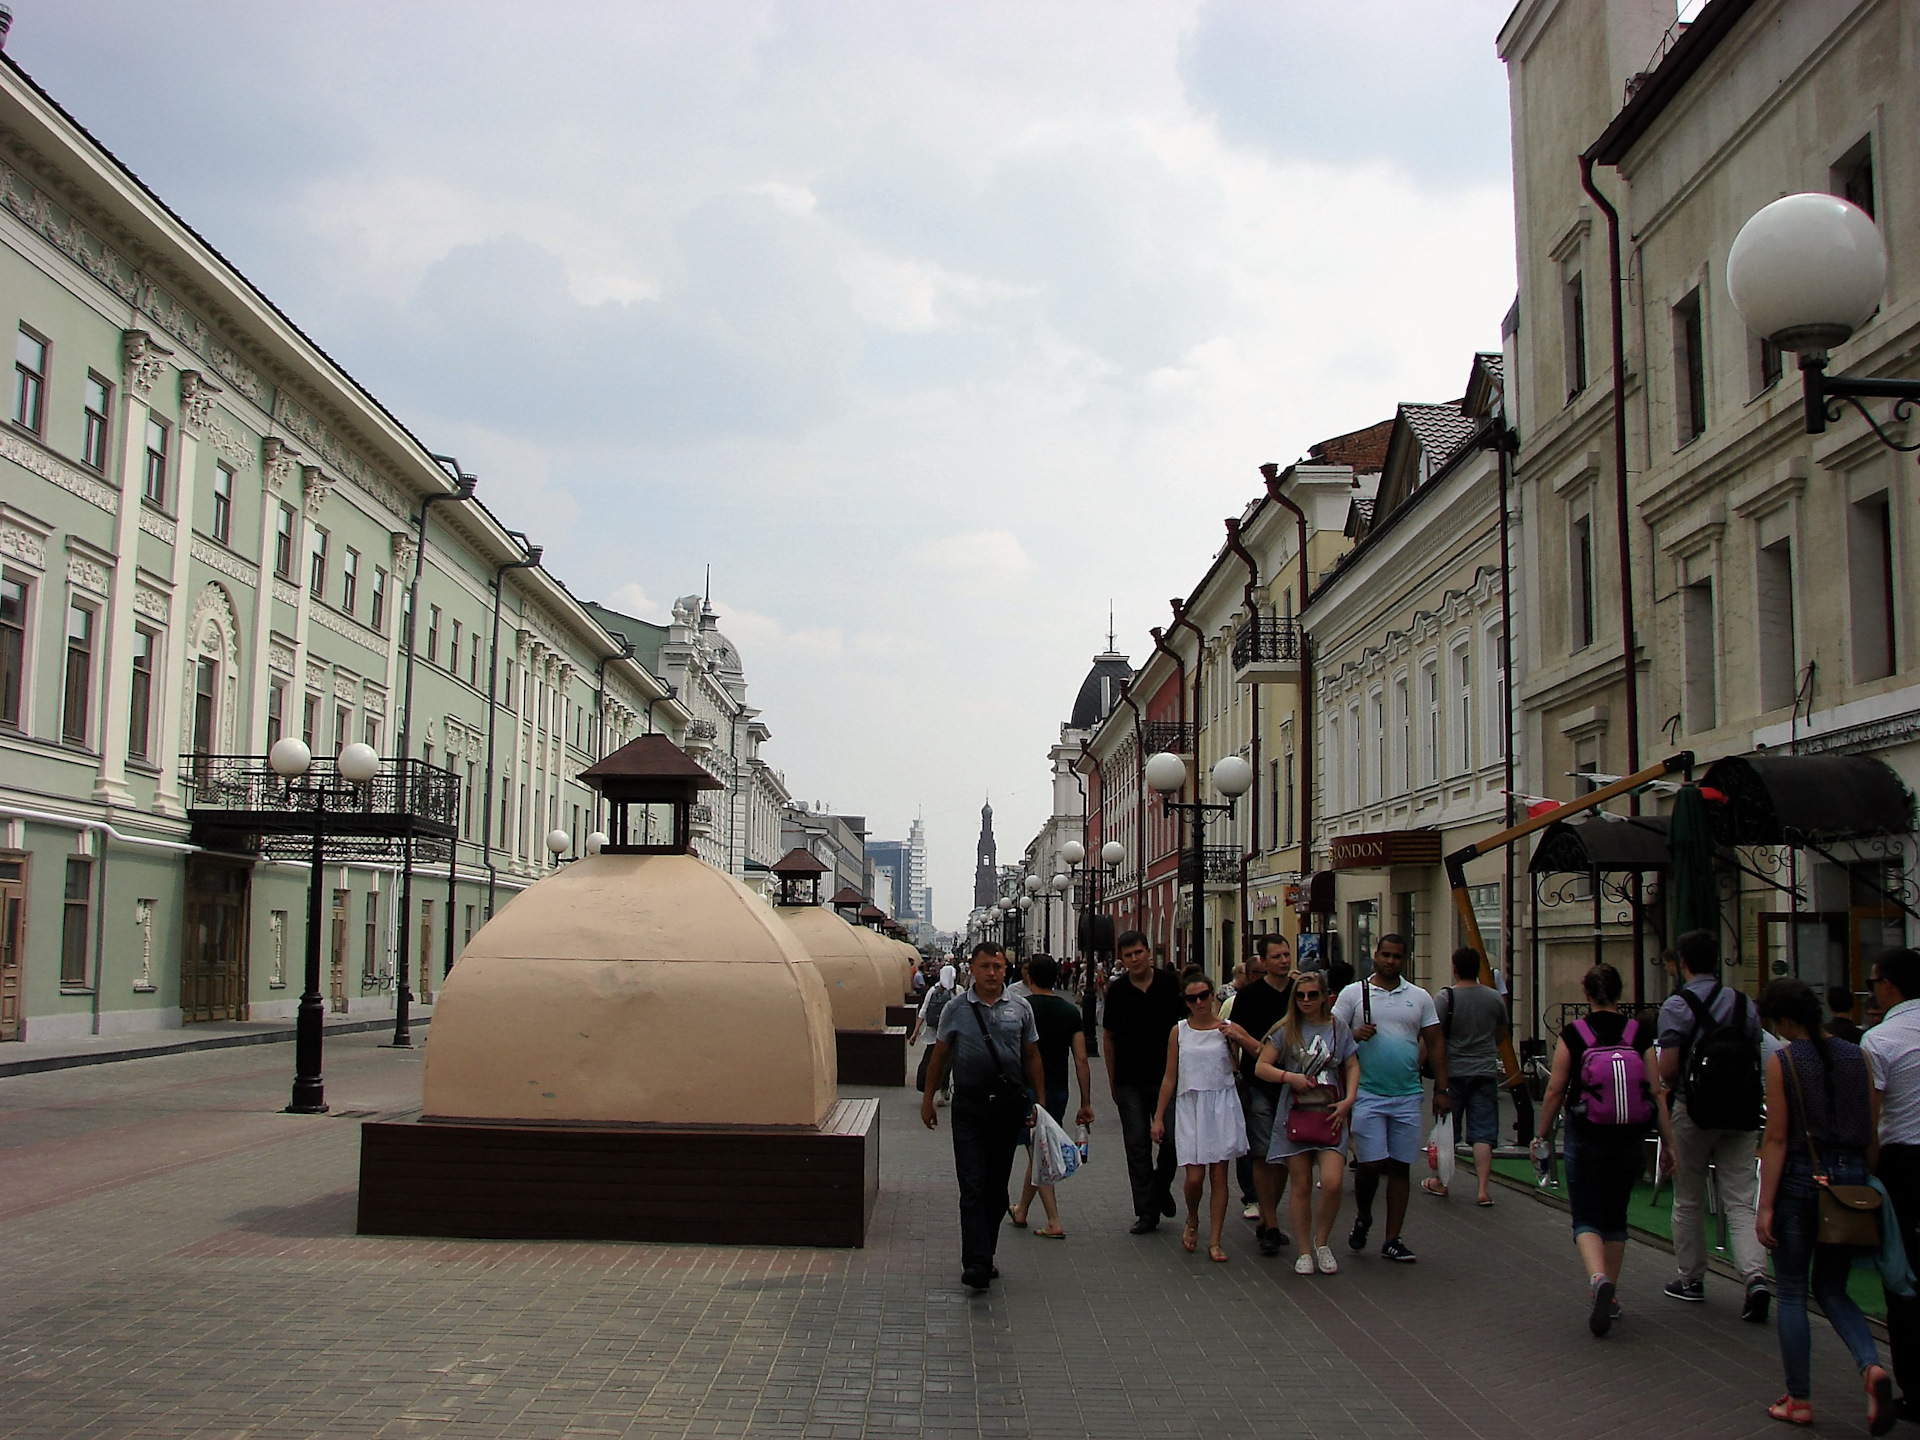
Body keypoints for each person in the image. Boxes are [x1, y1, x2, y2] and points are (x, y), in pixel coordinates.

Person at [1755, 977, 1893, 1432]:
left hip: (1800, 1177)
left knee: (1792, 1289)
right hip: (1851, 1179)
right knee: (1834, 1288)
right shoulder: (1860, 1055)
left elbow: (1776, 1138)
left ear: (1786, 1020)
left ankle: (1799, 1398)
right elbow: (1871, 1133)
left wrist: (1765, 1206)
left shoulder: (1785, 1060)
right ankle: (1871, 1365)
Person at [1533, 963, 1671, 1337]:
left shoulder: (1574, 1033)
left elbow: (1555, 1090)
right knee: (1616, 1217)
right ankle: (1610, 1295)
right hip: (1629, 1137)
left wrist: (1542, 1134)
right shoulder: (1637, 1032)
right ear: (1620, 993)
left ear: (1587, 994)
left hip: (1586, 1134)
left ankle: (1597, 1280)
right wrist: (1669, 1144)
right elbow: (1656, 1092)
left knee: (1586, 1216)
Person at [920, 943, 1047, 1291]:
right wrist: (928, 1098)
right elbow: (940, 1055)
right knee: (972, 1185)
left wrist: (1039, 1102)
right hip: (969, 1107)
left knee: (995, 1188)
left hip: (1007, 1108)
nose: (992, 973)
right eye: (985, 966)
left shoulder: (1020, 1008)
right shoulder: (956, 1009)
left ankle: (985, 1253)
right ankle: (976, 1261)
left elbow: (1032, 1055)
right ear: (971, 969)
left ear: (1007, 970)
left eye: (998, 966)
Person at [1657, 928, 1770, 1318]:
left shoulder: (1676, 1006)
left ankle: (1691, 1279)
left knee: (1688, 1196)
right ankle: (1755, 1276)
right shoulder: (1744, 1003)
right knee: (1740, 1198)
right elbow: (1755, 1049)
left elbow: (1668, 1069)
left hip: (1695, 1109)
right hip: (1741, 1110)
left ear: (1683, 963)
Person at [1331, 933, 1446, 1263]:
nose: (1391, 961)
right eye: (1386, 955)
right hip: (1366, 1092)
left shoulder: (1420, 997)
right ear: (1376, 956)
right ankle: (1364, 1215)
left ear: (1404, 959)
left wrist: (1442, 1089)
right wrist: (1354, 1034)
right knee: (1369, 1165)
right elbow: (1330, 1034)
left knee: (1400, 1167)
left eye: (1398, 956)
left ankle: (1393, 1238)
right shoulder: (1355, 994)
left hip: (1407, 1094)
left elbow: (1436, 1043)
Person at [1255, 970, 1360, 1276]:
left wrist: (1349, 1098)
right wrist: (1290, 1077)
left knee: (1332, 1182)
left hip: (1331, 1112)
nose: (1306, 1001)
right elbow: (1262, 1066)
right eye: (1300, 996)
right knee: (1300, 1185)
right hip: (1297, 1113)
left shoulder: (1338, 1028)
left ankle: (1322, 1241)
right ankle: (1303, 1250)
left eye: (1312, 995)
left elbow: (1352, 1063)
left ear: (1325, 997)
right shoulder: (1287, 1030)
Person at [1151, 969, 1251, 1262]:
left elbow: (1259, 1050)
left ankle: (1216, 1239)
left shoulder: (1227, 1028)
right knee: (1194, 1178)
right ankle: (1192, 1218)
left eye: (1204, 996)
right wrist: (1158, 1117)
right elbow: (1170, 1076)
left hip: (1221, 1104)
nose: (1199, 1002)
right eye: (1192, 998)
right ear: (1186, 1000)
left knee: (1219, 1175)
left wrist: (1238, 1037)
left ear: (1212, 995)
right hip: (1191, 1104)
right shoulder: (1179, 1031)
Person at [1866, 949, 1920, 1421]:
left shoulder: (1879, 1040)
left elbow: (1872, 1122)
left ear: (1889, 986)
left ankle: (1917, 1386)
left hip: (1904, 1166)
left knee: (1903, 1274)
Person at [1103, 929, 1185, 1233]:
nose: (1135, 959)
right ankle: (1146, 1212)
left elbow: (1186, 1026)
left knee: (1174, 1141)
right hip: (1129, 1080)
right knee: (1136, 1145)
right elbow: (1108, 1036)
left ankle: (1159, 1188)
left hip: (1168, 1078)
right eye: (1128, 955)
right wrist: (1111, 1078)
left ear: (1148, 952)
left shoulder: (1168, 985)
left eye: (1139, 952)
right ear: (1122, 960)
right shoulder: (1118, 991)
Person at [1011, 955, 1095, 1238]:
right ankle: (1021, 1208)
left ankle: (1054, 1221)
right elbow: (1082, 1060)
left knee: (1040, 1153)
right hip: (1058, 1091)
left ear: (1028, 978)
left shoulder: (1021, 1009)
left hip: (1026, 1090)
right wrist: (1085, 1102)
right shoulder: (1070, 1012)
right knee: (1040, 1149)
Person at [1423, 947, 1510, 1207]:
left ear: (1455, 968)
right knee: (1483, 1132)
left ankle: (1442, 1182)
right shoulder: (1494, 998)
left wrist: (1418, 1065)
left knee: (1448, 1130)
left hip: (1452, 1073)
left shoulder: (1445, 997)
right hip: (1484, 1071)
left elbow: (1432, 1036)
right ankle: (1483, 1189)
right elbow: (1502, 1033)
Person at [1228, 934, 1297, 1254]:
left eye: (1287, 954)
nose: (1284, 960)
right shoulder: (1250, 996)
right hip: (1258, 1082)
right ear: (1263, 961)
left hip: (1293, 1083)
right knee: (1262, 1150)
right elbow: (1236, 1035)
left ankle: (1269, 1216)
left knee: (1283, 1155)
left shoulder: (1300, 993)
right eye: (1277, 956)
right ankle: (1270, 1223)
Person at [911, 963, 960, 1103]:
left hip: (933, 1036)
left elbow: (923, 1011)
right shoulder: (958, 991)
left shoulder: (933, 991)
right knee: (945, 1064)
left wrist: (915, 1032)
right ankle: (939, 1091)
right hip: (951, 1036)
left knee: (934, 1062)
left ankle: (938, 1091)